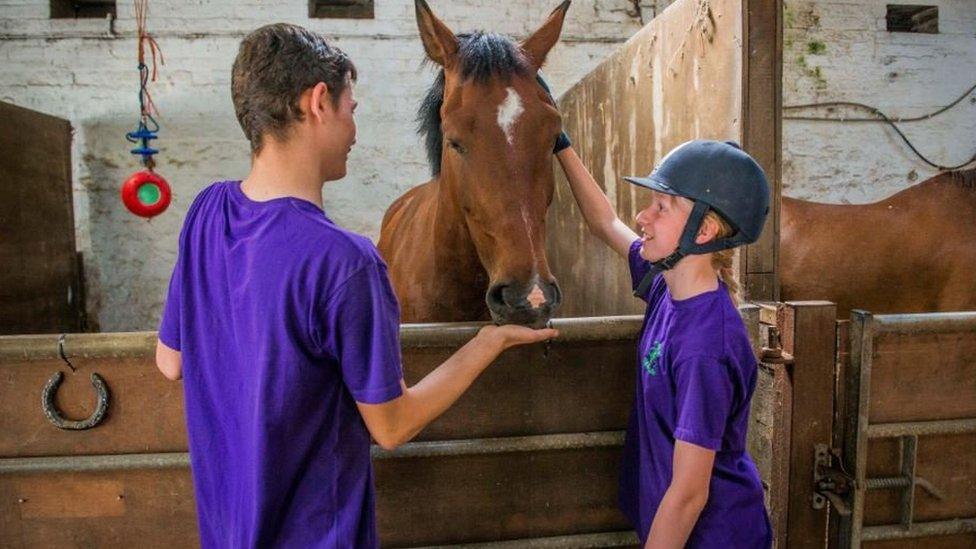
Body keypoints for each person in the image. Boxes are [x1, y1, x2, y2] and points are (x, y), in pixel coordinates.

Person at [154, 23, 557, 548]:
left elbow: (170, 362)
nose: (354, 130)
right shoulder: (347, 262)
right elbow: (391, 427)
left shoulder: (206, 212)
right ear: (319, 102)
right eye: (352, 109)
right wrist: (488, 341)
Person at [554, 132, 773, 547]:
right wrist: (560, 143)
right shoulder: (665, 285)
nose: (642, 217)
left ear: (704, 229)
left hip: (711, 537)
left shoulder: (705, 347)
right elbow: (604, 223)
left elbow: (689, 494)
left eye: (660, 207)